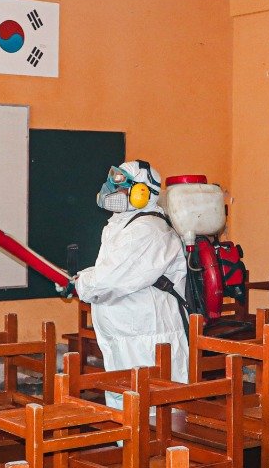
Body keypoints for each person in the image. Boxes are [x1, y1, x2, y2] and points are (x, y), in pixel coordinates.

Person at [68, 161, 190, 393]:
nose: (112, 192)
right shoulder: (126, 225)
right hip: (131, 336)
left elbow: (109, 280)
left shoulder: (147, 230)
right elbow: (113, 270)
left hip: (149, 337)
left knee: (154, 410)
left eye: (122, 188)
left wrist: (79, 285)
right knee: (128, 406)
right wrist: (79, 279)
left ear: (142, 193)